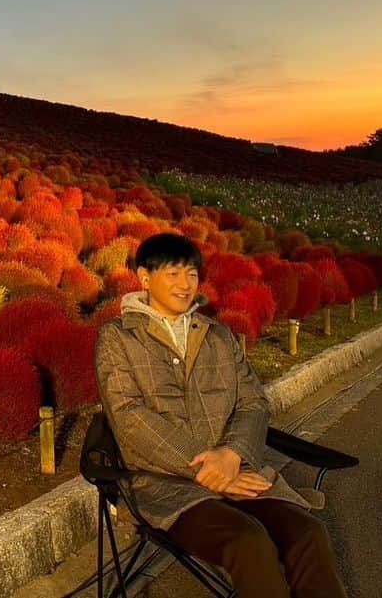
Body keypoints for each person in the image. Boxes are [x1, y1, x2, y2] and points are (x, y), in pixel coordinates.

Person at [94, 232, 347, 598]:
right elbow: (130, 418)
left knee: (308, 533)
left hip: (236, 471)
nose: (185, 285)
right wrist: (208, 471)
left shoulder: (218, 336)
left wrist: (231, 456)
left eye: (192, 274)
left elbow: (253, 403)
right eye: (173, 274)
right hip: (167, 484)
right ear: (144, 278)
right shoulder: (118, 338)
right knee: (249, 541)